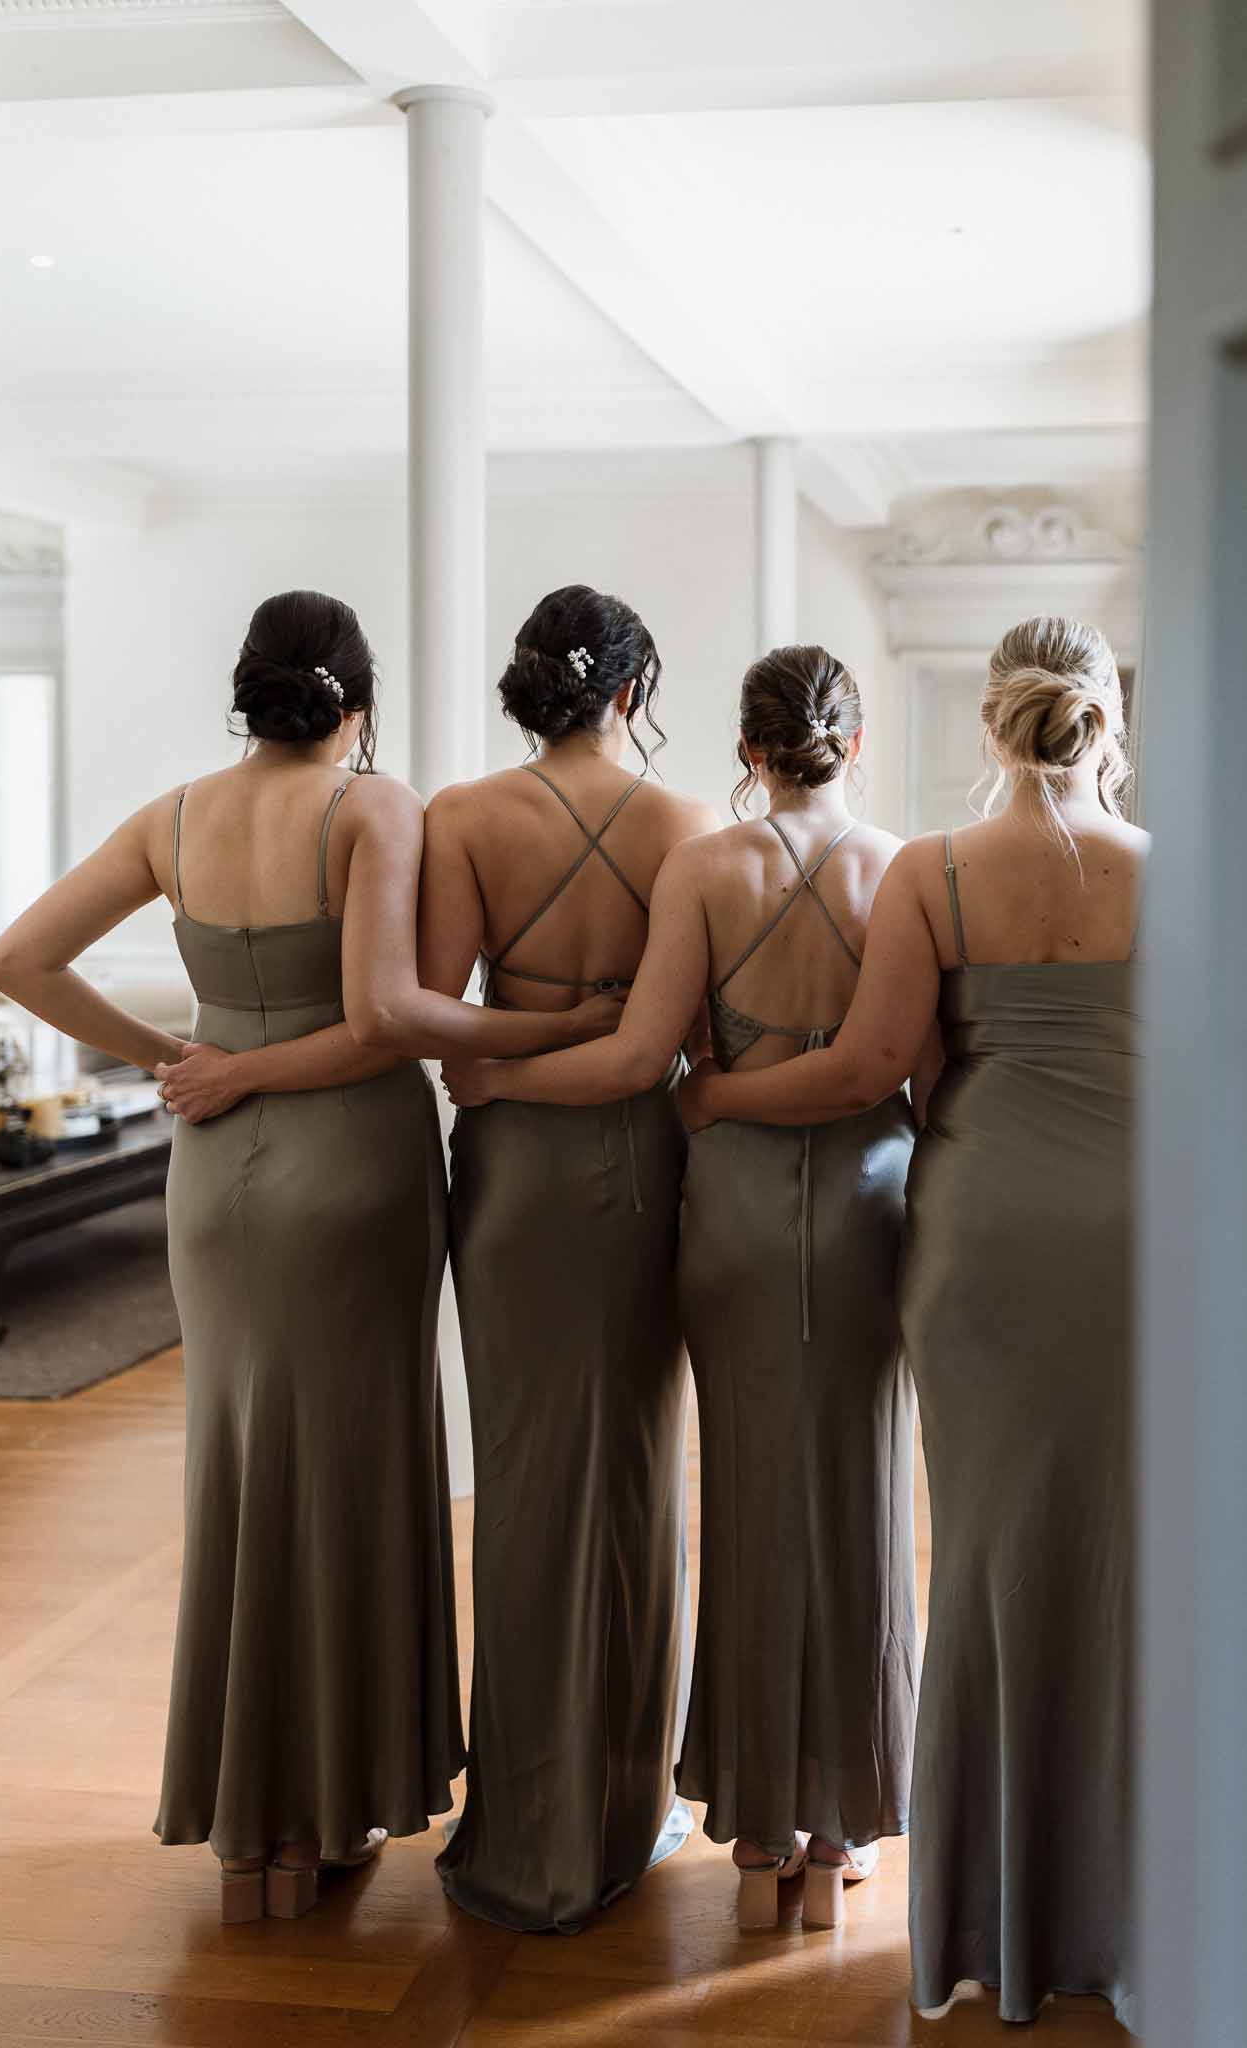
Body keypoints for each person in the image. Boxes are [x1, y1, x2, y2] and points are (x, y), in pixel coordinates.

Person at [0, 590, 615, 1923]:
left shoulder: (172, 818)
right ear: (358, 700)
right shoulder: (373, 808)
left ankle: (243, 1823)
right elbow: (391, 1019)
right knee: (359, 1470)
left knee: (238, 1469)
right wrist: (564, 1033)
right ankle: (332, 1810)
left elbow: (18, 959)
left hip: (216, 1173)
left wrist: (178, 1061)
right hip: (354, 1166)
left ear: (247, 690)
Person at [679, 616, 1144, 2025]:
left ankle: (995, 1922)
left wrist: (710, 1095)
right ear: (1100, 720)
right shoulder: (1174, 870)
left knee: (987, 1558)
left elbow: (872, 1068)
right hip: (1137, 1232)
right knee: (1132, 1564)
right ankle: (1128, 1914)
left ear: (992, 724)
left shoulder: (934, 872)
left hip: (981, 1233)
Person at [445, 643, 919, 1933]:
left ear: (749, 749)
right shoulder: (907, 870)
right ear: (855, 743)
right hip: (873, 1210)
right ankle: (844, 1828)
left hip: (735, 1216)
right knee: (865, 1503)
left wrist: (497, 1084)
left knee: (749, 1501)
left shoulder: (707, 867)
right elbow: (916, 1072)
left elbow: (638, 1060)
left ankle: (763, 1832)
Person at [419, 583, 718, 1933]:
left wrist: (515, 1046)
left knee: (530, 1483)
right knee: (637, 1483)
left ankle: (526, 1820)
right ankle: (615, 1807)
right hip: (640, 1163)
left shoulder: (461, 820)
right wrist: (596, 1026)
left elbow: (445, 1035)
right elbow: (658, 1044)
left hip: (514, 1178)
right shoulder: (684, 826)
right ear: (632, 697)